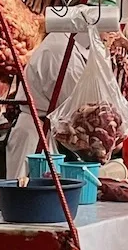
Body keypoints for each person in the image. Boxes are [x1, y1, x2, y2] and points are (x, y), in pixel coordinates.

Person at [6, 31, 89, 179]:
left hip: (44, 129)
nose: (109, 35)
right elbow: (76, 109)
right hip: (35, 135)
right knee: (28, 194)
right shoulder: (61, 50)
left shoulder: (69, 44)